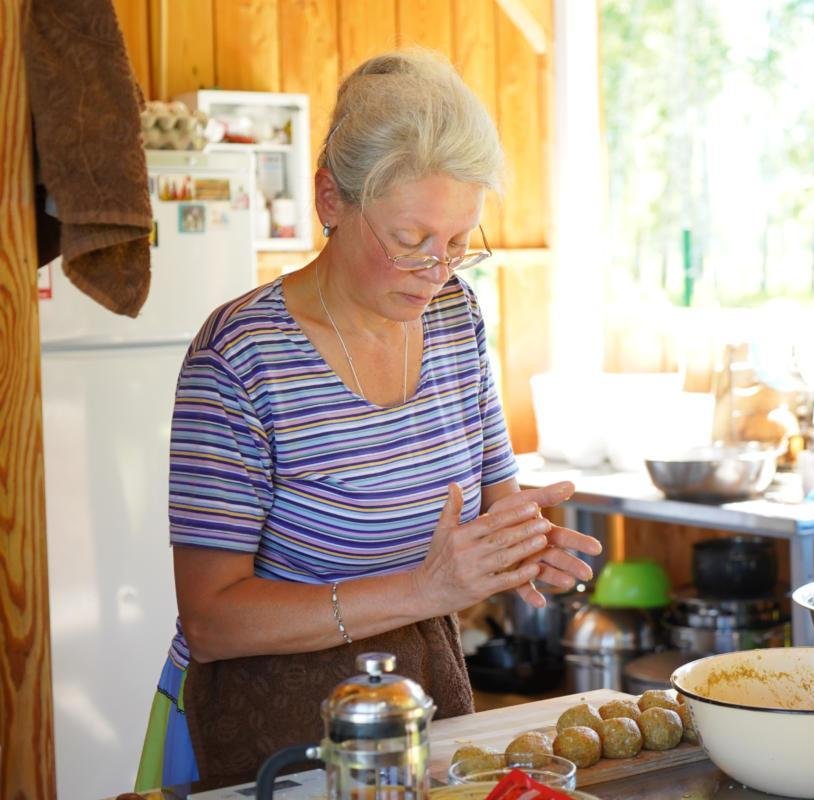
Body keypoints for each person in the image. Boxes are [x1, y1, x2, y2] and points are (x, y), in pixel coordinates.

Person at [135, 49, 602, 791]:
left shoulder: (455, 317)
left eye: (457, 244)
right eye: (411, 242)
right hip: (273, 728)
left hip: (424, 694)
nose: (435, 271)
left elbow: (490, 498)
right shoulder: (241, 358)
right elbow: (211, 620)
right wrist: (426, 590)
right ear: (330, 200)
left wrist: (521, 541)